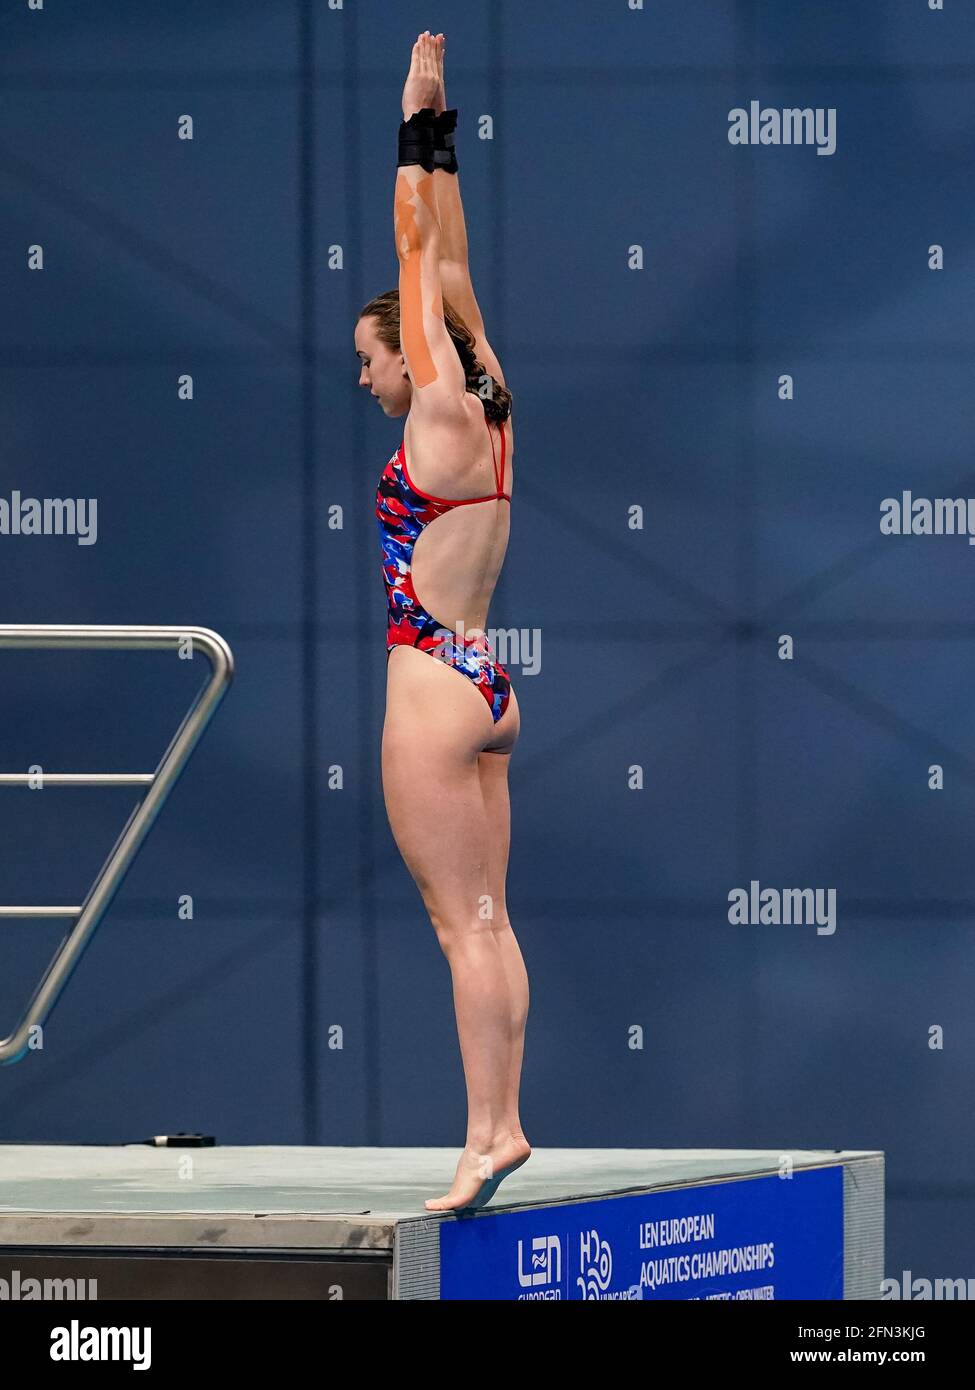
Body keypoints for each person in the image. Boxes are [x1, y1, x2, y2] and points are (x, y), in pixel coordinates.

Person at [353, 32, 530, 1211]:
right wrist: (435, 135)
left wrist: (405, 146)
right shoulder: (490, 390)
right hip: (490, 680)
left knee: (455, 924)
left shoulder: (431, 405)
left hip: (428, 684)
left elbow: (421, 254)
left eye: (366, 357)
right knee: (487, 916)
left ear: (401, 353)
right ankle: (498, 1125)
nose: (366, 376)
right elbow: (451, 261)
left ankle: (487, 1134)